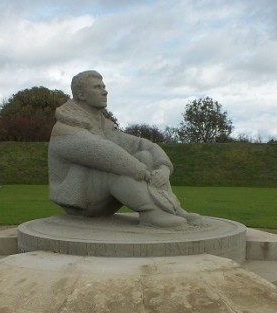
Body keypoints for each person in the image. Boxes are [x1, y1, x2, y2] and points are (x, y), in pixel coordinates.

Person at [48, 70, 201, 228]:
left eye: (104, 86)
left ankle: (172, 209)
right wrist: (141, 171)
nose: (105, 91)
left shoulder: (102, 126)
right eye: (97, 87)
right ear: (81, 94)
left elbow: (143, 144)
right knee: (115, 165)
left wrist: (163, 168)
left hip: (101, 199)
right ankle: (151, 213)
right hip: (81, 204)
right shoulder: (65, 128)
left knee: (144, 155)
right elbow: (103, 152)